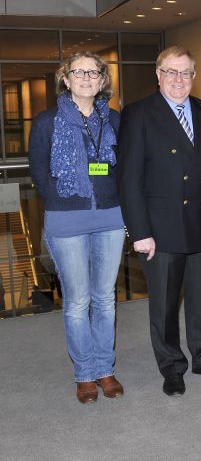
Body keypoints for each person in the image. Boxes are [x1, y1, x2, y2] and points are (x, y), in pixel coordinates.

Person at [117, 46, 201, 397]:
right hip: (160, 228)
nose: (178, 79)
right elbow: (129, 180)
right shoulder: (139, 114)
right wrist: (140, 232)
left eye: (186, 73)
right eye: (171, 72)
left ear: (194, 77)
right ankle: (172, 366)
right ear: (158, 75)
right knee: (165, 304)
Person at [29, 51, 126, 403]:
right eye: (78, 71)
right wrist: (60, 202)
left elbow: (123, 168)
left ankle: (105, 368)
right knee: (77, 301)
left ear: (102, 80)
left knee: (105, 300)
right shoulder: (47, 121)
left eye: (94, 72)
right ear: (66, 79)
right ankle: (84, 373)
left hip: (111, 218)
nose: (87, 77)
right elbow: (39, 171)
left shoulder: (113, 119)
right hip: (67, 220)